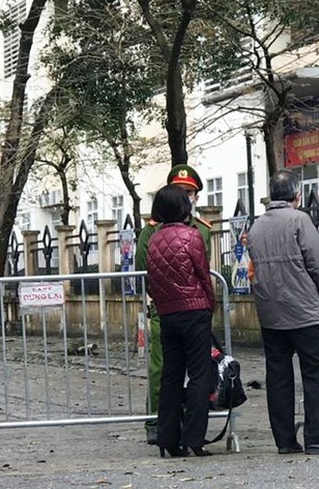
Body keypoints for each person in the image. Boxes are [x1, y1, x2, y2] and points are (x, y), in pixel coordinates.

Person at [247, 169, 319, 455]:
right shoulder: (299, 220)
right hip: (303, 309)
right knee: (317, 370)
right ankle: (316, 435)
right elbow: (317, 262)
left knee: (278, 375)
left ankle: (284, 440)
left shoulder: (256, 225)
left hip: (270, 310)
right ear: (297, 195)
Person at [135, 164, 212, 445]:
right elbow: (143, 271)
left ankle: (185, 425)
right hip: (166, 309)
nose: (184, 197)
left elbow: (206, 268)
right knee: (163, 369)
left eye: (189, 192)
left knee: (196, 370)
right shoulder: (151, 232)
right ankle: (158, 421)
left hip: (190, 309)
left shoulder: (201, 230)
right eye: (179, 192)